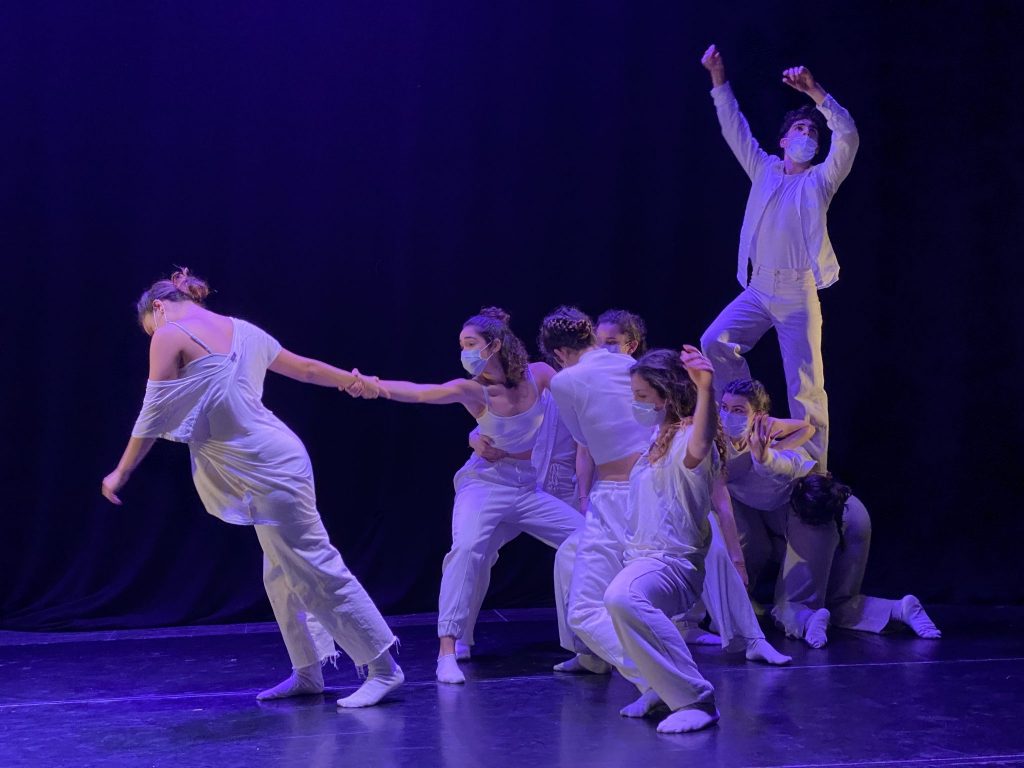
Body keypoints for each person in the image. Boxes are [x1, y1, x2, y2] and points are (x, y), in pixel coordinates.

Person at [100, 269, 402, 708]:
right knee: (279, 573)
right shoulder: (242, 330)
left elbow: (153, 412)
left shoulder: (168, 333)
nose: (153, 335)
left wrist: (122, 471)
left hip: (268, 468)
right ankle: (307, 671)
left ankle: (383, 668)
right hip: (274, 459)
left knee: (316, 566)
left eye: (150, 326)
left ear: (159, 308)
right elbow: (307, 369)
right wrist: (353, 380)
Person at [347, 308, 583, 684]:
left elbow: (579, 395)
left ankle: (588, 645)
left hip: (527, 488)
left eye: (471, 344)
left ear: (495, 345)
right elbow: (422, 393)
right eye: (462, 345)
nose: (465, 352)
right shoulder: (475, 390)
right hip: (484, 485)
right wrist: (374, 385)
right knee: (467, 549)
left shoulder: (539, 374)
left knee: (587, 538)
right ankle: (448, 651)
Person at [698, 44, 859, 471]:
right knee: (714, 341)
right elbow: (734, 128)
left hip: (797, 290)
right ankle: (743, 415)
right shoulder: (764, 169)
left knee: (806, 388)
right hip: (759, 286)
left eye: (813, 132)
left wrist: (816, 94)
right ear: (784, 140)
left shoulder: (820, 180)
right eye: (800, 129)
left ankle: (815, 475)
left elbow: (847, 136)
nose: (807, 135)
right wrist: (718, 80)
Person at [604, 348, 722, 733]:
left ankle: (696, 699)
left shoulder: (689, 437)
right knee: (614, 604)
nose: (636, 404)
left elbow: (701, 443)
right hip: (643, 558)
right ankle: (660, 687)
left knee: (622, 596)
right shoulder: (657, 438)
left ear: (667, 395)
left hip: (672, 563)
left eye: (642, 396)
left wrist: (706, 389)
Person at [778, 474, 942, 647]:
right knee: (841, 602)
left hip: (814, 515)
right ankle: (899, 609)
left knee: (792, 604)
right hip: (849, 505)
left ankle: (809, 620)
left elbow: (761, 546)